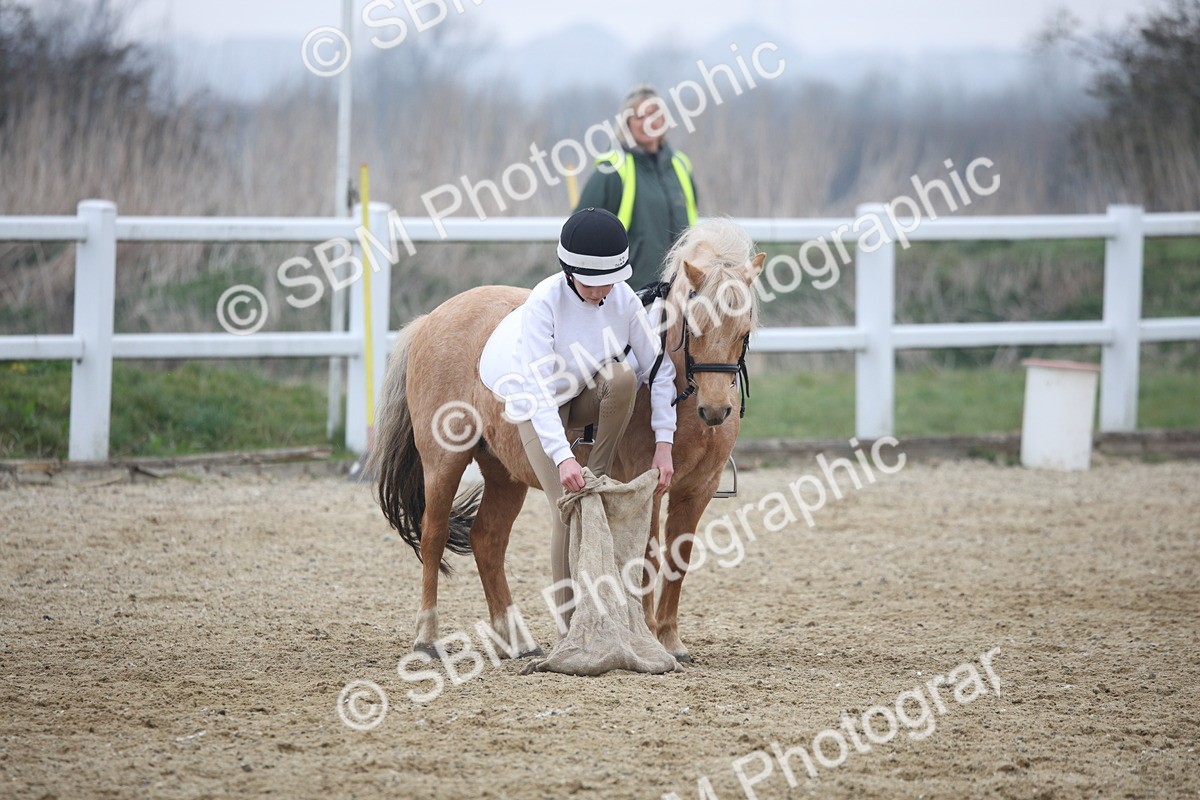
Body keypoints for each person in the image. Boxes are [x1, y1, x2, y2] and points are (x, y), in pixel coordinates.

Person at [478, 207, 676, 636]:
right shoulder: (544, 302)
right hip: (535, 401)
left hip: (582, 393)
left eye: (608, 281)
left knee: (622, 376)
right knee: (566, 510)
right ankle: (570, 631)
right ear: (568, 273)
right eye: (590, 282)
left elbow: (660, 370)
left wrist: (665, 443)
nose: (600, 290)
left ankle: (597, 476)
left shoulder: (622, 299)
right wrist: (564, 458)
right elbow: (538, 391)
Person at [575, 85, 699, 291]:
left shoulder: (680, 165)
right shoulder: (613, 169)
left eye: (653, 114)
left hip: (680, 290)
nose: (648, 122)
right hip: (631, 291)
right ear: (627, 124)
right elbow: (580, 229)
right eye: (639, 116)